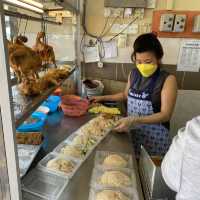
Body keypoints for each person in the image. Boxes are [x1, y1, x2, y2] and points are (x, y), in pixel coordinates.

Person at [91, 33, 177, 157]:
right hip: (132, 134)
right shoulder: (134, 74)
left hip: (156, 140)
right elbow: (125, 95)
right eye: (138, 61)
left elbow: (165, 115)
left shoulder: (167, 79)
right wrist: (102, 98)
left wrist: (134, 119)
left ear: (159, 57)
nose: (143, 65)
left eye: (148, 61)